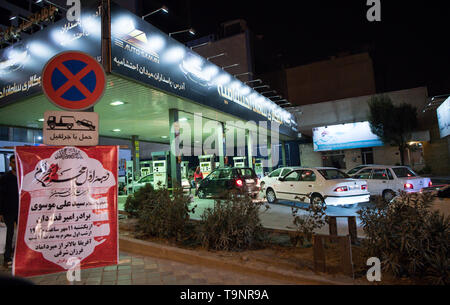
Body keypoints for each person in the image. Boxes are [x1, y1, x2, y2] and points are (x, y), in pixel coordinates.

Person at [0, 155, 19, 268]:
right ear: (10, 164)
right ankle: (7, 257)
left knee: (21, 233)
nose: (15, 164)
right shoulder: (5, 178)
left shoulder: (22, 177)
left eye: (16, 162)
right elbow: (1, 196)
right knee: (10, 233)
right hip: (8, 210)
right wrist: (1, 212)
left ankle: (17, 254)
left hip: (20, 209)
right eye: (13, 162)